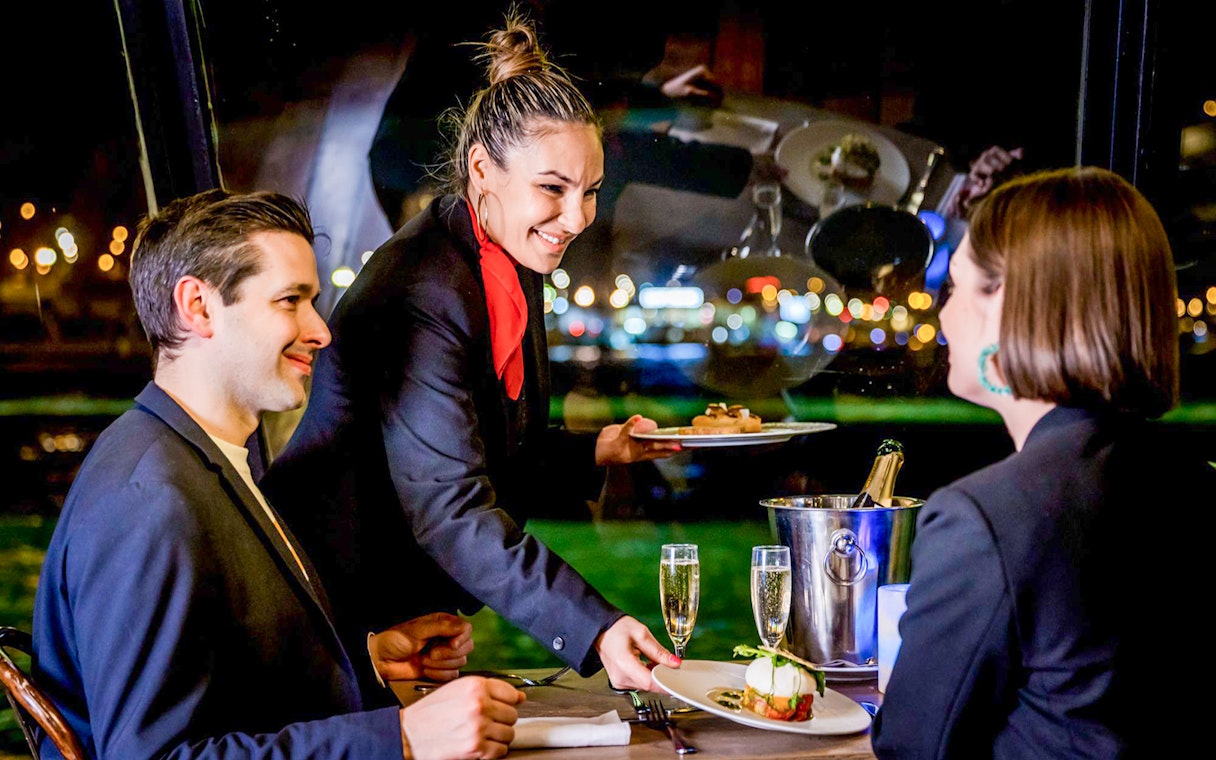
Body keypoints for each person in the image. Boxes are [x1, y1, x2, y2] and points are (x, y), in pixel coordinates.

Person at [261, 12, 684, 697]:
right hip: (324, 618)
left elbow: (490, 443)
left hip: (395, 612)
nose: (578, 218)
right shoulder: (423, 287)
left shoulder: (505, 261)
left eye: (591, 191)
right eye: (554, 188)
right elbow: (450, 509)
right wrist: (598, 629)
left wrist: (596, 450)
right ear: (482, 168)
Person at [31, 189, 526, 759]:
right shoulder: (151, 498)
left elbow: (226, 686)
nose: (322, 330)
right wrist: (400, 738)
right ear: (198, 306)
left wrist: (361, 661)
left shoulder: (196, 457)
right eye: (290, 301)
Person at [871, 167, 1214, 757]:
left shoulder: (987, 518)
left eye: (954, 287)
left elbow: (911, 744)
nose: (943, 317)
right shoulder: (1194, 481)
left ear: (1006, 303)